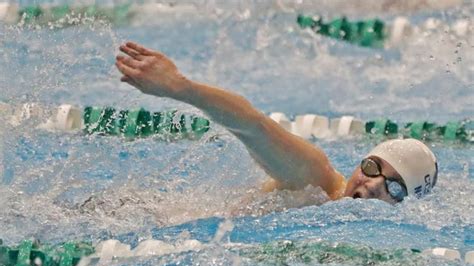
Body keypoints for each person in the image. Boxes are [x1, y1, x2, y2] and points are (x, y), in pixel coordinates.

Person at [115, 42, 438, 208]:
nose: (371, 186)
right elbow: (253, 125)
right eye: (371, 168)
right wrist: (182, 88)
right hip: (144, 218)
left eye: (394, 187)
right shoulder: (315, 180)